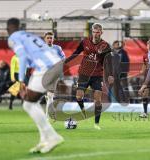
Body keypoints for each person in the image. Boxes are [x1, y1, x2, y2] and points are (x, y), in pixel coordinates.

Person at [7, 18, 63, 153]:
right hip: (55, 65)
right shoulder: (30, 35)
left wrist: (20, 81)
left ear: (8, 29)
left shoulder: (13, 38)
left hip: (46, 68)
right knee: (31, 104)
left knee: (28, 103)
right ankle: (44, 140)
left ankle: (53, 136)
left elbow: (22, 57)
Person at [65, 23, 114, 130]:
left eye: (98, 32)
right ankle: (83, 112)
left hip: (97, 75)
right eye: (94, 32)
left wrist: (110, 74)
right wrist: (66, 61)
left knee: (97, 100)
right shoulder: (85, 42)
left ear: (101, 32)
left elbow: (108, 62)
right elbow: (76, 52)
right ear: (92, 31)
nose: (95, 34)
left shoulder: (105, 45)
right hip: (84, 73)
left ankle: (96, 124)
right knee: (79, 96)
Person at [43, 31, 65, 118]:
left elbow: (63, 59)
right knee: (49, 96)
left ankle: (47, 116)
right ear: (44, 39)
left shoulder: (57, 48)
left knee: (50, 95)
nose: (49, 40)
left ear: (53, 39)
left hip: (54, 73)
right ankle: (51, 114)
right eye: (48, 38)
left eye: (51, 38)